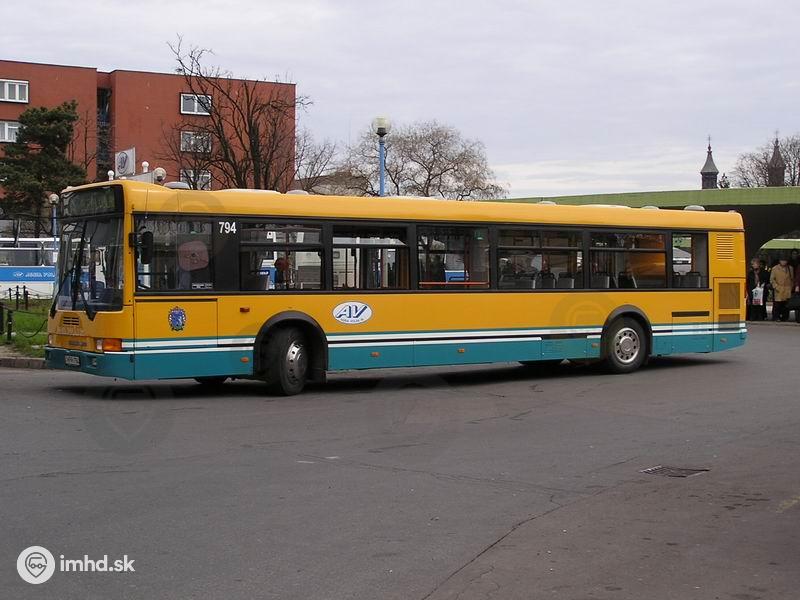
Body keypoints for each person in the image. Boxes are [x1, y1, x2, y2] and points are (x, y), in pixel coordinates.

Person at [769, 255, 794, 322]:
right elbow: (772, 279)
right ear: (779, 261)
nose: (784, 262)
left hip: (787, 288)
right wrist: (776, 286)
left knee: (786, 305)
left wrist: (791, 287)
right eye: (782, 260)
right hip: (778, 288)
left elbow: (792, 278)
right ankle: (776, 317)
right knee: (777, 304)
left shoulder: (790, 268)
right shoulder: (775, 268)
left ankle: (785, 317)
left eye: (785, 260)